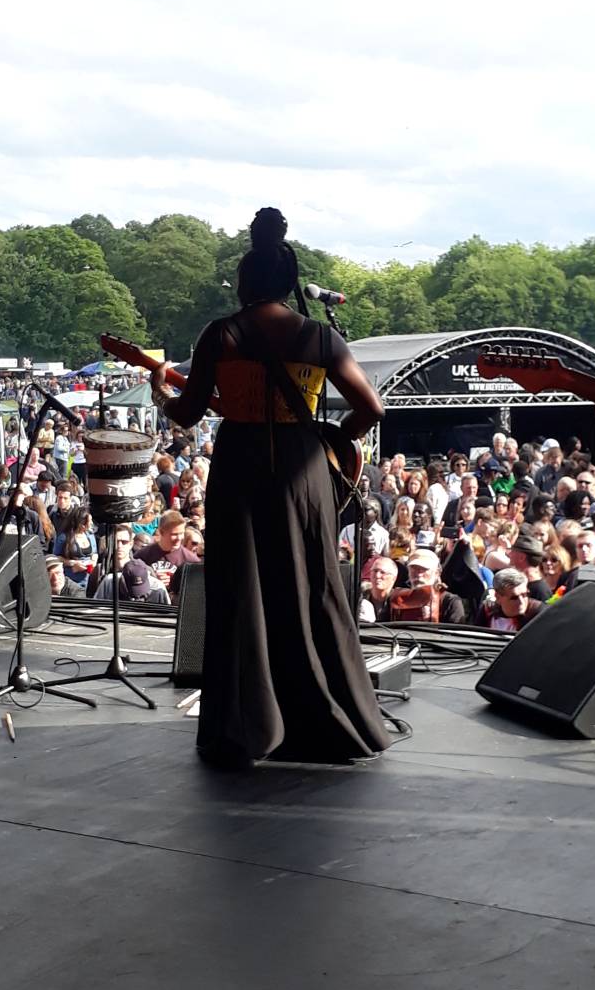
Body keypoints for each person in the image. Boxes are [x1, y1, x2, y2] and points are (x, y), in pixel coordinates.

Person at [150, 207, 391, 767]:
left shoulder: (222, 334)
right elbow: (371, 407)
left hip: (241, 465)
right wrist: (331, 438)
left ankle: (249, 724)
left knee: (242, 590)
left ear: (243, 281)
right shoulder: (319, 335)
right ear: (288, 282)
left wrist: (162, 389)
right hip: (305, 470)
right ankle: (328, 716)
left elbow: (187, 414)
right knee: (311, 584)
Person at [134, 509, 200, 598]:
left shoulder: (191, 561)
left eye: (181, 533)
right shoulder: (143, 555)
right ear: (161, 532)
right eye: (174, 534)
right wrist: (153, 580)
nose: (179, 538)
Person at [476, 568, 544, 631]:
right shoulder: (488, 610)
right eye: (514, 598)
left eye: (524, 595)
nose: (521, 602)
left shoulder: (538, 614)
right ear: (498, 597)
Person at [359, 556, 398, 623]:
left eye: (382, 572)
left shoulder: (399, 601)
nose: (377, 576)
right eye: (375, 571)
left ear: (393, 578)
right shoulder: (359, 598)